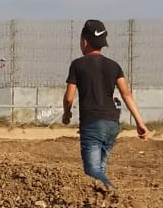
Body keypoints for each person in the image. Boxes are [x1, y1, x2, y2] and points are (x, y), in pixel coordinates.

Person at [62, 19, 148, 188]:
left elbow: (69, 97)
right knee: (100, 169)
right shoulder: (114, 66)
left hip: (92, 124)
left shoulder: (77, 65)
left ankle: (114, 194)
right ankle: (102, 203)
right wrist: (140, 123)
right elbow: (126, 94)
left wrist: (67, 113)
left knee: (92, 171)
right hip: (112, 124)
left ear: (84, 42)